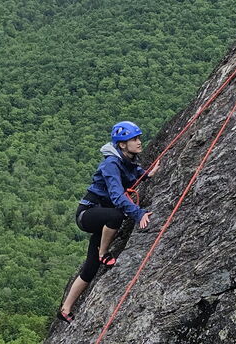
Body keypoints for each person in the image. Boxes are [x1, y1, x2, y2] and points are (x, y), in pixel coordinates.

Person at [57, 121, 159, 323]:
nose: (139, 142)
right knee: (116, 215)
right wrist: (138, 214)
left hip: (100, 215)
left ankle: (65, 309)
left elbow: (132, 172)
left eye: (138, 138)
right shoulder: (111, 163)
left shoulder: (126, 158)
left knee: (90, 267)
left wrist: (146, 175)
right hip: (88, 214)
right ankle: (104, 253)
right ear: (122, 144)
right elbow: (117, 195)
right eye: (134, 139)